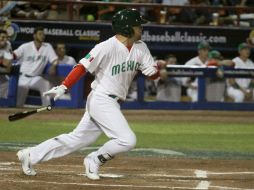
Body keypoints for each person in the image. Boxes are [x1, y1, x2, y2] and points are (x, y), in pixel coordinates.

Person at [16, 9, 159, 180]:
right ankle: (94, 159)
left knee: (77, 139)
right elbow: (82, 66)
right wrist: (63, 86)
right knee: (127, 140)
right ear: (128, 28)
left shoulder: (141, 47)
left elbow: (154, 73)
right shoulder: (106, 47)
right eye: (138, 25)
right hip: (101, 99)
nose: (141, 29)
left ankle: (30, 155)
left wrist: (155, 72)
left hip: (112, 102)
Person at [14, 26, 58, 107]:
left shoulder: (47, 46)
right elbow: (14, 55)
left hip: (35, 78)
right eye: (40, 34)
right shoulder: (25, 46)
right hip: (23, 77)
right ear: (34, 35)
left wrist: (54, 66)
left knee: (45, 84)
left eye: (43, 34)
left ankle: (46, 107)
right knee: (19, 104)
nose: (42, 36)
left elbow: (55, 59)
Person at [0, 29, 13, 98]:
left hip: (2, 73)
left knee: (6, 83)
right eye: (2, 37)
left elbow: (8, 63)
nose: (4, 39)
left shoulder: (8, 44)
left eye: (6, 37)